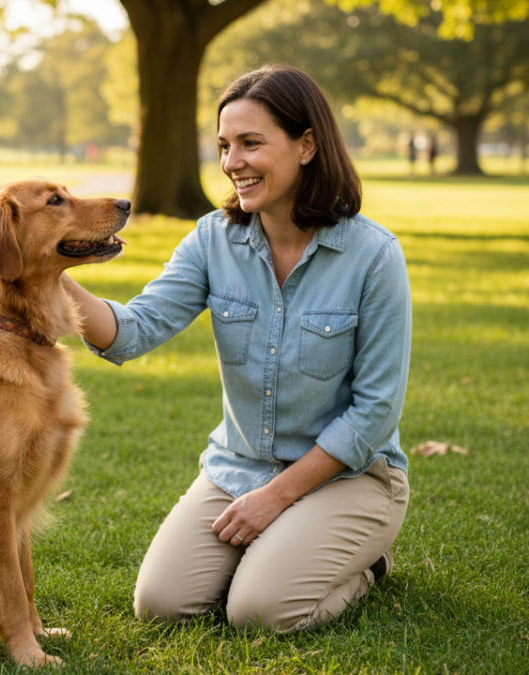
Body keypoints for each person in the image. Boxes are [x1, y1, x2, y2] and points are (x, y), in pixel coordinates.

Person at [63, 64, 411, 633]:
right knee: (161, 603)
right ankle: (278, 554)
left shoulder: (374, 256)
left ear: (306, 146)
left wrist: (275, 500)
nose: (232, 163)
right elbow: (130, 332)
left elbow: (373, 414)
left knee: (260, 612)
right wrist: (48, 271)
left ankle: (368, 564)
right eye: (225, 146)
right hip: (237, 468)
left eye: (251, 143)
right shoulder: (211, 240)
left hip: (349, 478)